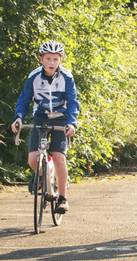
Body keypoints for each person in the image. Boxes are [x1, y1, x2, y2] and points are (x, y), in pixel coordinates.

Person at [11, 40, 80, 214]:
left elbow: (73, 102)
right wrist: (18, 118)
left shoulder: (67, 77)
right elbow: (24, 100)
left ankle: (63, 198)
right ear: (41, 59)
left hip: (61, 118)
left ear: (60, 60)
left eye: (55, 59)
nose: (51, 63)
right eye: (48, 58)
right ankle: (44, 173)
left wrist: (72, 122)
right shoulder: (34, 76)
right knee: (33, 159)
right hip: (40, 117)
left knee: (58, 157)